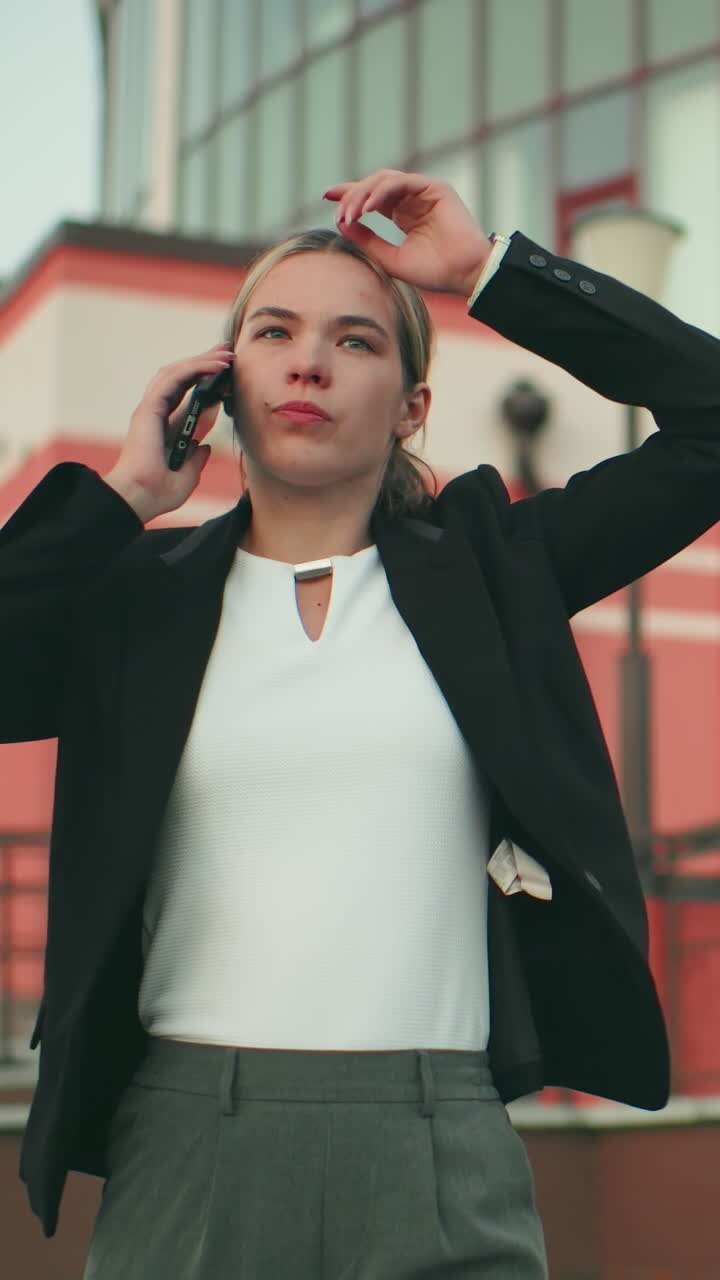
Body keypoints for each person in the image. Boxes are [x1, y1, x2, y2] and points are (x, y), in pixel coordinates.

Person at [2, 168, 719, 1278]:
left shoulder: (494, 570)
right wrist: (121, 496)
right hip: (189, 1142)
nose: (309, 361)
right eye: (275, 331)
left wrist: (489, 272)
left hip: (438, 1140)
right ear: (220, 383)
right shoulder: (138, 593)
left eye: (356, 340)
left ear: (413, 403)